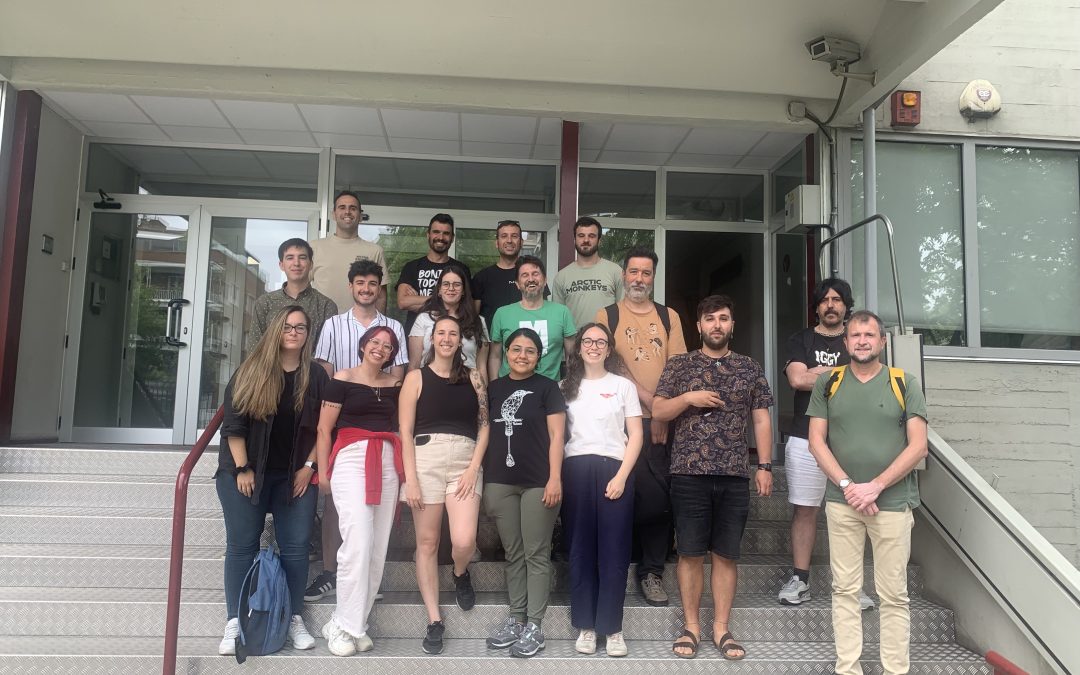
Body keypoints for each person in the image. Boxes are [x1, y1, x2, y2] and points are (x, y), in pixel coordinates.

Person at [652, 295, 773, 661]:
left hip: (734, 474)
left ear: (732, 325)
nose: (716, 324)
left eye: (723, 318)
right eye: (710, 318)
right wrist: (689, 398)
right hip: (688, 474)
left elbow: (761, 418)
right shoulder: (680, 365)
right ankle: (691, 626)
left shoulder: (749, 367)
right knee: (689, 554)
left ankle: (721, 628)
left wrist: (764, 466)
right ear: (699, 326)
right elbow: (658, 410)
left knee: (725, 555)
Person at [807, 310, 928, 675]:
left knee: (894, 595)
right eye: (856, 335)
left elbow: (918, 446)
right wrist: (848, 486)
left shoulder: (903, 383)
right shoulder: (828, 382)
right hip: (842, 503)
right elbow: (816, 442)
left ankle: (895, 670)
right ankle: (848, 669)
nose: (862, 341)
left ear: (882, 342)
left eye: (869, 335)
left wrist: (875, 486)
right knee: (844, 590)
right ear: (845, 342)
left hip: (892, 503)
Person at [215, 305, 328, 656]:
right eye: (288, 326)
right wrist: (243, 468)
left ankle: (292, 617)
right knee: (242, 546)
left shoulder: (315, 376)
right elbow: (233, 426)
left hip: (294, 476)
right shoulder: (251, 370)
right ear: (276, 330)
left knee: (296, 549)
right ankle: (235, 622)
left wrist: (309, 466)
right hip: (245, 473)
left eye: (301, 327)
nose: (294, 332)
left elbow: (324, 428)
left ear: (308, 334)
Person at [305, 258, 408, 604]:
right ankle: (331, 573)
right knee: (337, 504)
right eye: (360, 283)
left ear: (380, 289)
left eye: (372, 283)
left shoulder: (393, 327)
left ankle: (365, 579)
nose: (366, 289)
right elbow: (325, 373)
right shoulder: (333, 325)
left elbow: (398, 379)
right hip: (343, 424)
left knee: (373, 513)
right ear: (351, 286)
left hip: (379, 427)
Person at [595, 246, 686, 608]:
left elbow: (678, 368)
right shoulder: (607, 315)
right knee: (616, 494)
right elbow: (610, 363)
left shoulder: (668, 316)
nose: (639, 279)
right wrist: (652, 403)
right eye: (633, 272)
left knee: (658, 500)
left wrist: (661, 414)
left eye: (646, 273)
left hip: (658, 424)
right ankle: (614, 566)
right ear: (623, 275)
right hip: (617, 423)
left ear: (653, 277)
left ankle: (651, 572)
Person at [778, 278, 872, 611]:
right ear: (816, 307)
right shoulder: (800, 340)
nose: (831, 305)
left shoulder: (857, 340)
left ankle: (852, 586)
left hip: (851, 440)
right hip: (805, 438)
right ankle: (800, 580)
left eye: (837, 300)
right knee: (805, 510)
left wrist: (820, 372)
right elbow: (797, 379)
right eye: (824, 300)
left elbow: (867, 378)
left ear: (847, 306)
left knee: (850, 512)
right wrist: (843, 372)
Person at [400, 316, 490, 654]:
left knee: (464, 540)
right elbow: (405, 432)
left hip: (465, 461)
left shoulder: (474, 377)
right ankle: (434, 619)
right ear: (432, 339)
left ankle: (460, 571)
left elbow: (484, 426)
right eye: (441, 333)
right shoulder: (415, 378)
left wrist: (474, 467)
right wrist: (410, 479)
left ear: (460, 341)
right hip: (425, 460)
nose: (447, 338)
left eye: (453, 334)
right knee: (427, 542)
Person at [315, 326, 405, 657]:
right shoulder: (341, 379)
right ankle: (341, 625)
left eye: (388, 346)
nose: (380, 348)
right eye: (375, 342)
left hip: (386, 461)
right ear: (363, 345)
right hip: (351, 459)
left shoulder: (396, 385)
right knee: (358, 542)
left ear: (393, 354)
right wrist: (322, 471)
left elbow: (402, 427)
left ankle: (356, 624)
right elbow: (324, 429)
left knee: (378, 547)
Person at [560, 323, 642, 658]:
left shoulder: (623, 386)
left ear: (609, 349)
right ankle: (586, 626)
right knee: (580, 549)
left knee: (614, 551)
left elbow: (636, 435)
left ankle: (612, 628)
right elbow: (557, 437)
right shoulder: (564, 387)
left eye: (601, 342)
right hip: (576, 470)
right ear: (579, 347)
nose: (594, 346)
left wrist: (622, 476)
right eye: (588, 341)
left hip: (615, 470)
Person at [483, 328, 566, 658]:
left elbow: (557, 437)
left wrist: (555, 478)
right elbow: (484, 431)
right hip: (500, 480)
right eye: (516, 349)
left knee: (536, 553)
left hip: (538, 482)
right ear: (506, 353)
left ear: (539, 356)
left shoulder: (548, 388)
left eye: (530, 351)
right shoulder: (493, 389)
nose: (522, 355)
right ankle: (517, 620)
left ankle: (535, 626)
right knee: (513, 553)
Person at [488, 255, 576, 382]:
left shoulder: (562, 312)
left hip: (549, 388)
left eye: (535, 274)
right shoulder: (502, 314)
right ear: (517, 284)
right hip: (509, 387)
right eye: (525, 275)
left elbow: (571, 357)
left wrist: (570, 385)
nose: (531, 279)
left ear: (545, 280)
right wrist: (494, 387)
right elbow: (495, 357)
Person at [247, 238, 337, 350]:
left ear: (311, 264)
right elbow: (254, 348)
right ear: (281, 265)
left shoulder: (326, 306)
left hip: (311, 362)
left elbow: (327, 353)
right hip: (270, 362)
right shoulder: (265, 303)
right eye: (290, 258)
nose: (296, 263)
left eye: (302, 257)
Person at [310, 190, 388, 313]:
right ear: (333, 214)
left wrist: (378, 324)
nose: (347, 212)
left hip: (361, 323)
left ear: (360, 216)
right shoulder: (314, 248)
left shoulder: (374, 251)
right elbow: (301, 288)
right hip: (322, 322)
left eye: (353, 208)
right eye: (342, 207)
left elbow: (381, 296)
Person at [396, 213, 472, 334]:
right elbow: (403, 302)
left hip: (451, 336)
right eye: (436, 232)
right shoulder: (412, 267)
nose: (440, 237)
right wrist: (446, 300)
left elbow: (464, 304)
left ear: (452, 238)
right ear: (428, 235)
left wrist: (418, 300)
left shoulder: (461, 269)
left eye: (446, 233)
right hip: (417, 336)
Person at [408, 264, 490, 372]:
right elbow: (414, 364)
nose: (451, 288)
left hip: (467, 380)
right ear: (439, 290)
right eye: (446, 284)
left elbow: (481, 367)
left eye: (457, 285)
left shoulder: (478, 321)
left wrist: (482, 383)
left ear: (463, 291)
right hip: (429, 380)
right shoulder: (423, 319)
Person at [471, 219, 546, 328]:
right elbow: (474, 319)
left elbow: (544, 311)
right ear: (497, 243)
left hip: (529, 337)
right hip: (493, 338)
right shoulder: (481, 278)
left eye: (514, 236)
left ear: (522, 242)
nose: (509, 240)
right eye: (504, 236)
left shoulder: (533, 276)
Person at [552, 216, 624, 329]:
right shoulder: (562, 276)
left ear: (599, 241)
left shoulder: (615, 271)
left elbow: (624, 312)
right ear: (574, 239)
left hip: (608, 338)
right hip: (575, 340)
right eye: (581, 236)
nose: (586, 240)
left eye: (591, 236)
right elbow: (558, 319)